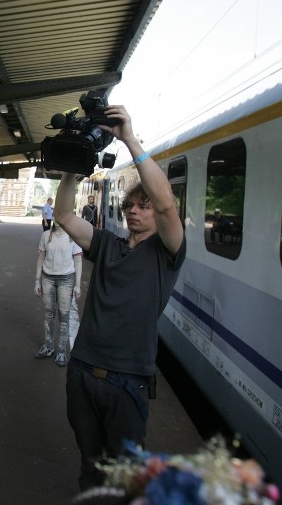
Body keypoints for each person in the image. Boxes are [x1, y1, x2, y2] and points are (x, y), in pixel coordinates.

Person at [53, 105, 185, 490]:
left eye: (143, 206)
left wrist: (129, 139)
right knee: (90, 465)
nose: (135, 212)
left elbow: (166, 204)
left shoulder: (166, 252)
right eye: (130, 206)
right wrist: (71, 167)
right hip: (83, 370)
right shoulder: (107, 244)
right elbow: (63, 215)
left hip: (128, 379)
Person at [33, 222, 82, 367]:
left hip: (66, 279)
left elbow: (78, 261)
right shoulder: (46, 235)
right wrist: (37, 281)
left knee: (64, 315)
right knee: (49, 313)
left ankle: (61, 351)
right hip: (47, 278)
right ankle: (48, 346)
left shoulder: (73, 237)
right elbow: (40, 259)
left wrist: (77, 285)